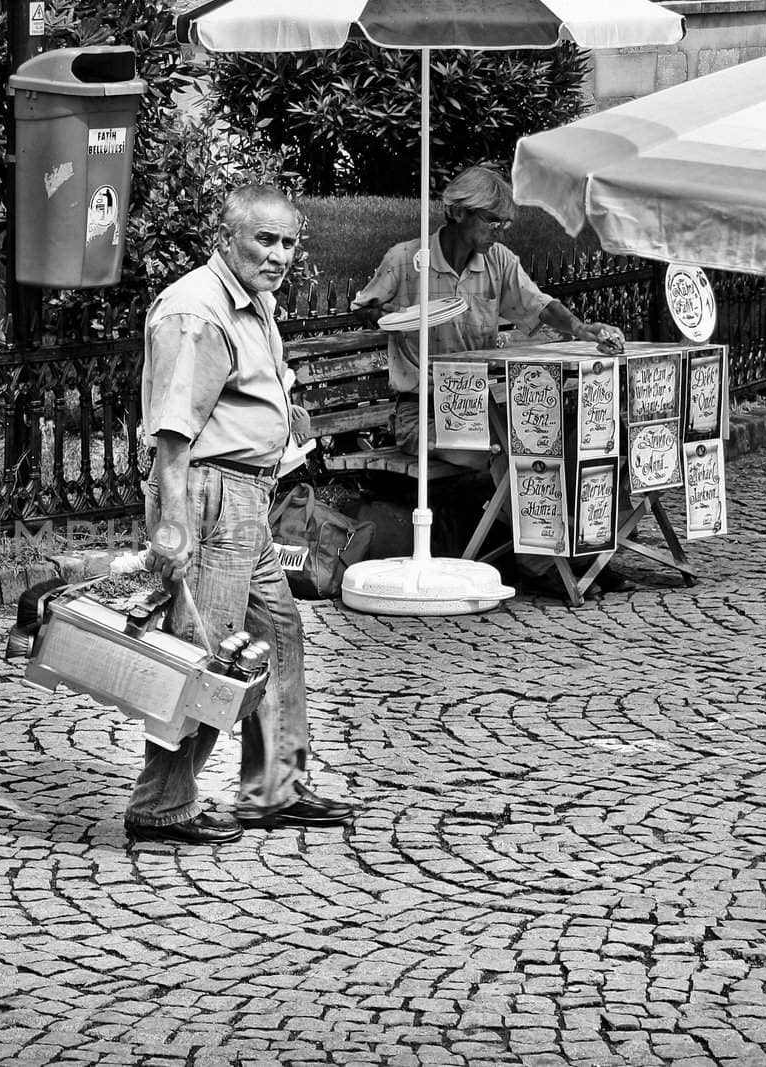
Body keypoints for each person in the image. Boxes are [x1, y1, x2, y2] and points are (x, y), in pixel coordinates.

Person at [128, 184, 356, 846]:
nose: (280, 254)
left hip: (247, 500)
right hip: (208, 496)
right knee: (205, 653)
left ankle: (273, 788)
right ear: (227, 237)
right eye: (266, 239)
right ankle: (160, 802)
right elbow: (173, 431)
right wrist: (173, 524)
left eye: (289, 242)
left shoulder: (252, 302)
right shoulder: (198, 309)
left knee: (277, 634)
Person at [350, 165, 634, 596]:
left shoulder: (497, 261)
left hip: (483, 406)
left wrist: (579, 328)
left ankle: (575, 552)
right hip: (421, 413)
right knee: (510, 456)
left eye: (504, 222)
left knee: (562, 441)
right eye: (491, 220)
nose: (499, 230)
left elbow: (538, 305)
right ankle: (542, 563)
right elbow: (366, 307)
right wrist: (393, 319)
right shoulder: (408, 260)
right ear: (460, 213)